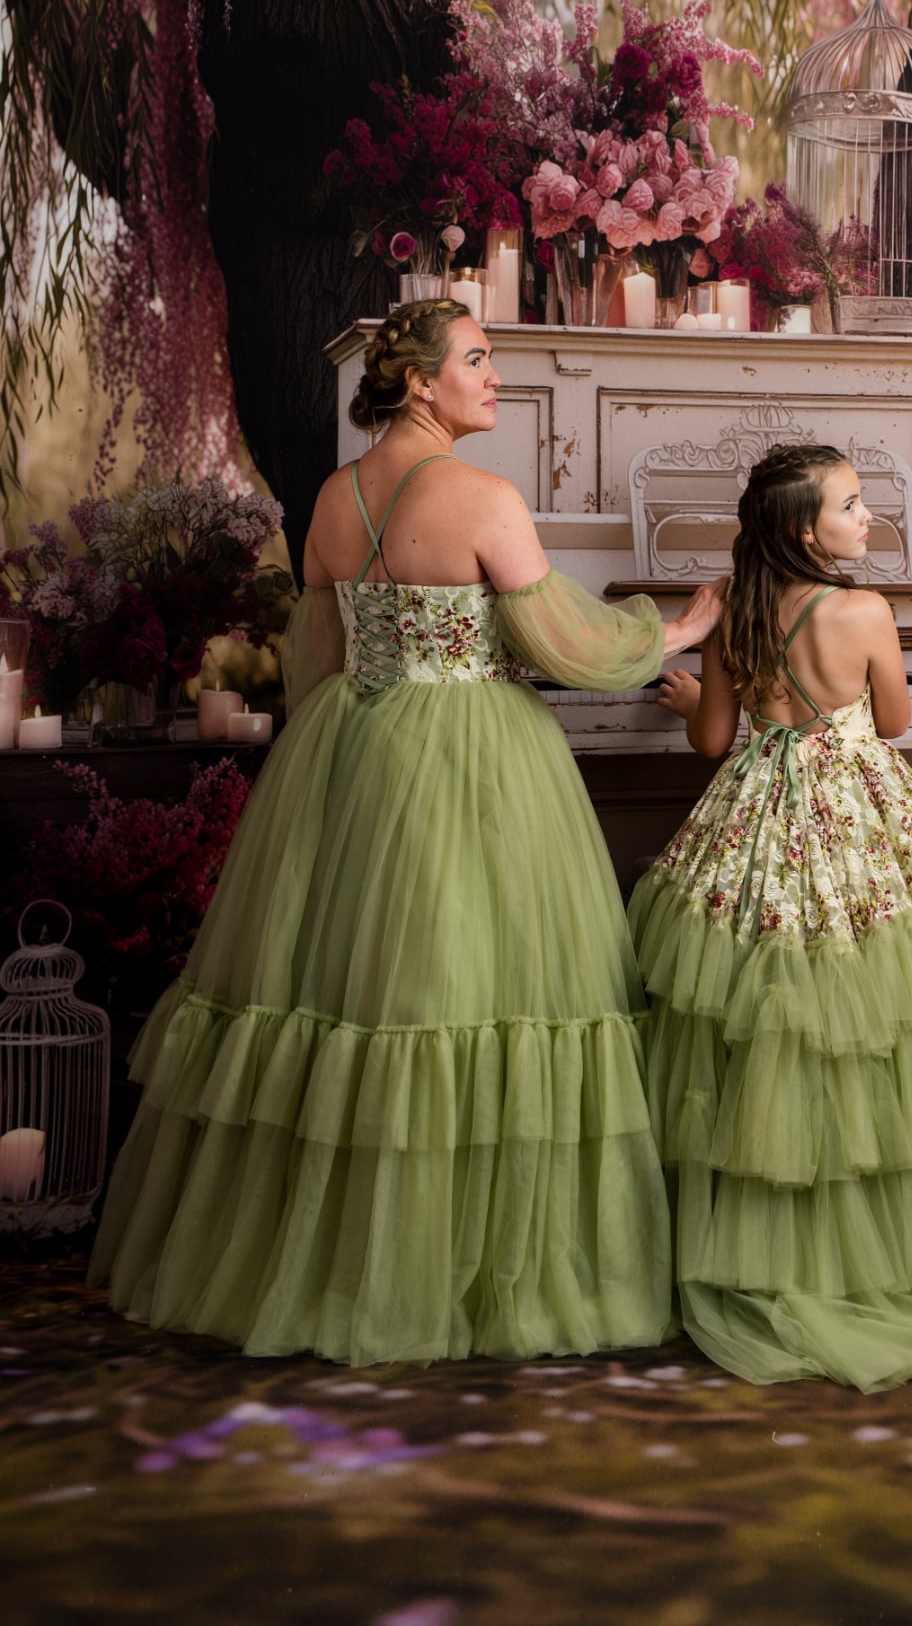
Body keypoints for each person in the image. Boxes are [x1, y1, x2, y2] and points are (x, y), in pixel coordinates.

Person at [90, 299, 721, 1367]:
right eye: (478, 358)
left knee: (355, 992)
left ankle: (336, 1258)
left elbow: (319, 657)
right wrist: (679, 628)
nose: (495, 377)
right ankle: (472, 1263)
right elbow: (564, 643)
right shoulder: (481, 495)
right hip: (473, 750)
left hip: (354, 746)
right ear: (422, 381)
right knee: (476, 987)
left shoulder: (336, 497)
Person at [631, 442, 912, 1392]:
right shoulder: (867, 610)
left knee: (761, 1020)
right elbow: (898, 719)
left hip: (755, 812)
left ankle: (765, 1244)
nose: (869, 516)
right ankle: (888, 1245)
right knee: (882, 1015)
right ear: (806, 529)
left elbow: (714, 740)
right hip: (858, 813)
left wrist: (685, 697)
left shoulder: (735, 609)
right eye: (853, 504)